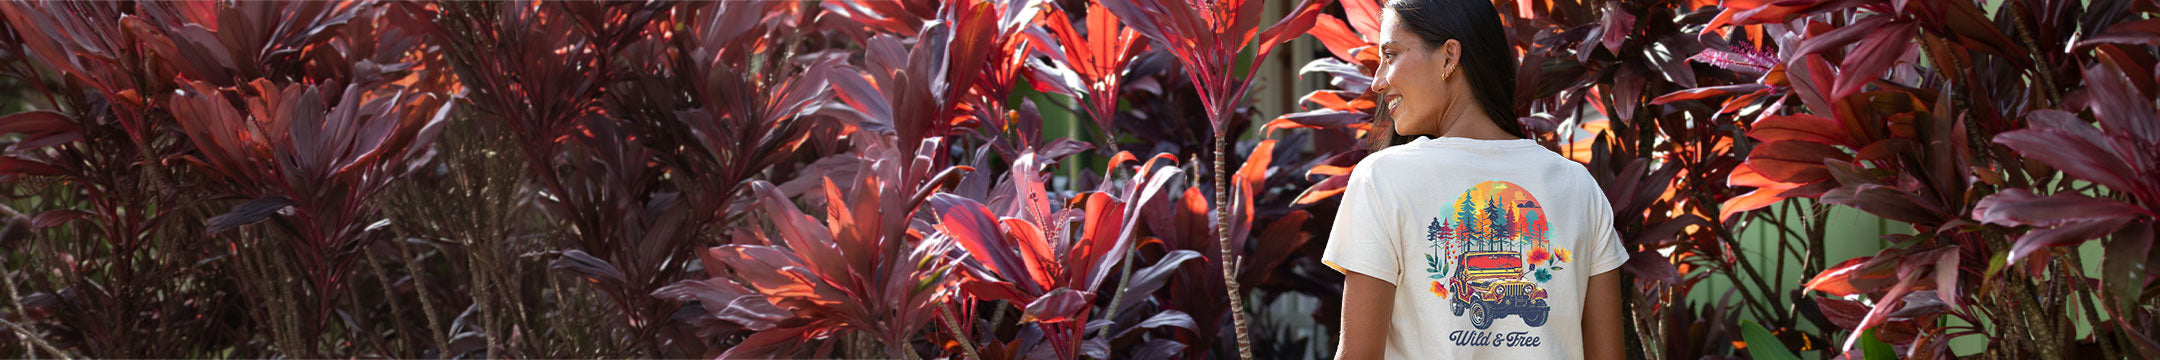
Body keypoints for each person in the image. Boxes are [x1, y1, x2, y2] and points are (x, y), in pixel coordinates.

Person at [1321, 0, 1628, 359]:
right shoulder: (1578, 185)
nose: (1377, 82)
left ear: (1449, 57)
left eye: (1390, 55)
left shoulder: (1381, 180)